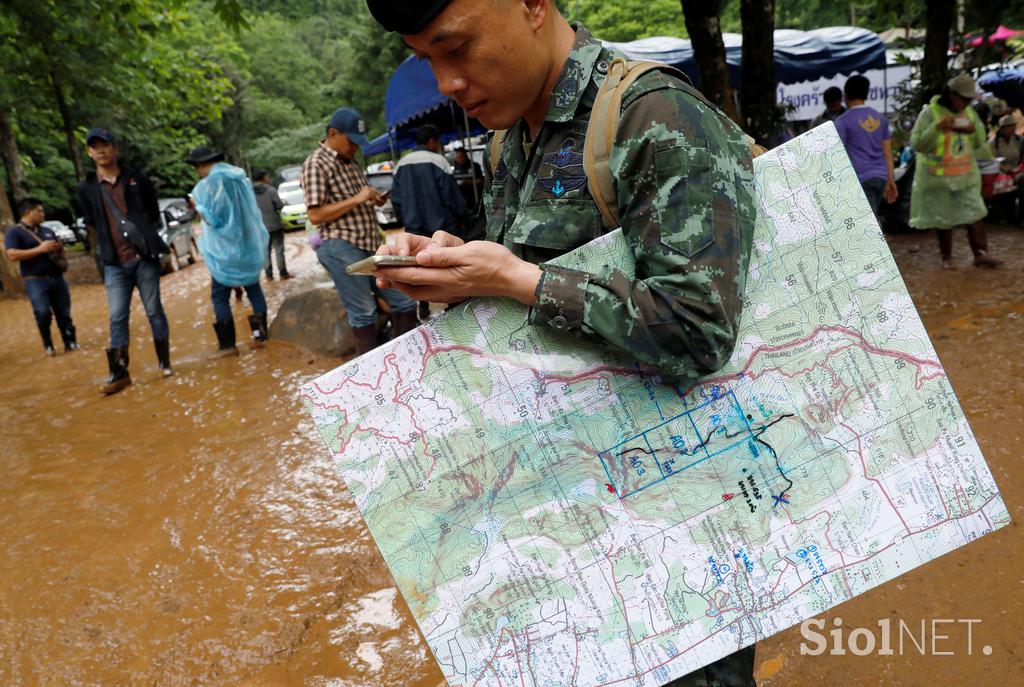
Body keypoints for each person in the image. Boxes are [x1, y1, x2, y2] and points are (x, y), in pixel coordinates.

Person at [366, 2, 757, 684]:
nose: (447, 82)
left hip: (677, 529)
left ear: (532, 6)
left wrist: (520, 279)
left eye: (454, 48)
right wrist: (454, 268)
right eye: (428, 60)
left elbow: (700, 329)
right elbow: (528, 281)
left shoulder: (650, 114)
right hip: (574, 518)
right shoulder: (508, 138)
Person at [300, 107, 419, 355]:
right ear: (333, 133)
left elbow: (358, 196)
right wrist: (357, 198)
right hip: (340, 244)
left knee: (404, 299)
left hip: (368, 243)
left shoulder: (349, 161)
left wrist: (372, 198)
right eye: (351, 141)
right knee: (363, 311)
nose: (355, 147)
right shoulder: (316, 164)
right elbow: (316, 214)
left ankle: (404, 360)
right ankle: (371, 373)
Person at [78, 127, 172, 395]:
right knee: (117, 316)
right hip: (113, 263)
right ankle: (119, 373)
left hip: (144, 258)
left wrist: (141, 237)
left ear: (115, 148)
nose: (100, 150)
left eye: (105, 145)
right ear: (89, 153)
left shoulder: (136, 179)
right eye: (94, 147)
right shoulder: (86, 187)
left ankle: (164, 363)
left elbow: (152, 212)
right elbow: (92, 221)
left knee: (154, 309)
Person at [909, 74, 1003, 269]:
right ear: (952, 94)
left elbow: (979, 139)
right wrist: (938, 128)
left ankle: (981, 254)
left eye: (970, 100)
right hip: (938, 178)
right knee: (943, 218)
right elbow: (917, 144)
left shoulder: (969, 112)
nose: (967, 103)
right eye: (964, 99)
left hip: (966, 175)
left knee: (975, 213)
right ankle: (947, 257)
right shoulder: (930, 113)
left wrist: (972, 130)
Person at [187, 145, 271, 356]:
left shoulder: (206, 186)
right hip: (248, 246)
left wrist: (197, 205)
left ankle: (228, 346)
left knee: (219, 297)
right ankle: (262, 336)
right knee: (253, 288)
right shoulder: (240, 178)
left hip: (224, 251)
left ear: (200, 165)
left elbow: (213, 218)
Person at [3, 197, 78, 355]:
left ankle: (70, 342)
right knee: (42, 312)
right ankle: (48, 344)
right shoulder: (14, 232)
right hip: (35, 280)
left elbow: (60, 249)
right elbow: (12, 255)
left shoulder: (47, 231)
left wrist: (58, 250)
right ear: (28, 212)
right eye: (40, 210)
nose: (43, 214)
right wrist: (40, 249)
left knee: (64, 313)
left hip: (57, 278)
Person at [834, 74, 897, 218]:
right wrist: (890, 179)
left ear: (846, 95)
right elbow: (888, 154)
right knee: (872, 216)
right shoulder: (880, 118)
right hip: (881, 177)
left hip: (860, 178)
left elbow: (837, 153)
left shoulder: (843, 121)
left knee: (868, 223)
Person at [392, 124, 467, 239]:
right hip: (443, 233)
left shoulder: (401, 164)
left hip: (414, 235)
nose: (438, 146)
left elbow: (396, 201)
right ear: (432, 141)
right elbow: (452, 198)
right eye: (438, 142)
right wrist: (463, 218)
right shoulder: (439, 161)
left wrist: (407, 221)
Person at [252, 169, 290, 280]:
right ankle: (283, 274)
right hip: (275, 225)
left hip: (259, 228)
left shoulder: (249, 193)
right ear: (263, 178)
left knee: (265, 251)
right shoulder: (271, 190)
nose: (268, 178)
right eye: (266, 176)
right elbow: (279, 205)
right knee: (279, 249)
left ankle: (269, 276)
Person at [452, 144, 485, 236]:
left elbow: (481, 181)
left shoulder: (474, 166)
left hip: (475, 197)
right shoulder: (456, 167)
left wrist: (468, 182)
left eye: (461, 157)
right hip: (462, 198)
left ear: (465, 156)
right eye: (457, 158)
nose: (459, 160)